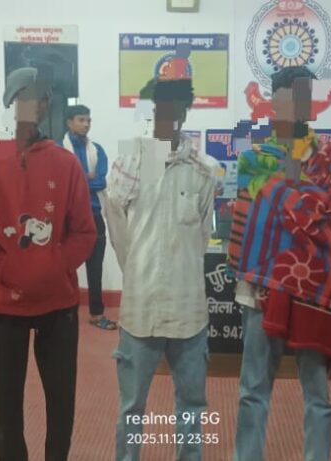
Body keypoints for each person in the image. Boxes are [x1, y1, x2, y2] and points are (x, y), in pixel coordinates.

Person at [0, 67, 96, 461]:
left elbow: (84, 232)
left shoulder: (66, 165)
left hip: (59, 306)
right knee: (6, 407)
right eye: (23, 97)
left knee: (61, 403)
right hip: (5, 306)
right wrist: (7, 269)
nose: (32, 105)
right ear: (11, 102)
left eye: (39, 97)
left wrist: (53, 267)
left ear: (48, 104)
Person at [231, 66, 331, 461]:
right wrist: (299, 192)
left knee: (317, 393)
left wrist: (294, 193)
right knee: (253, 388)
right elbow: (250, 221)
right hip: (262, 288)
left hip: (315, 291)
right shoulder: (255, 159)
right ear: (275, 102)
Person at [104, 76, 219, 461]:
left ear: (185, 113)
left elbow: (201, 237)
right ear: (152, 112)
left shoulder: (204, 169)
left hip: (189, 313)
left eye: (175, 110)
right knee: (131, 406)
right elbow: (118, 229)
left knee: (192, 406)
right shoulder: (132, 161)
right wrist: (137, 270)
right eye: (160, 110)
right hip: (141, 310)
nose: (167, 118)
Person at [60, 105, 114, 330]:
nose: (86, 124)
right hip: (67, 218)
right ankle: (64, 312)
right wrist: (85, 178)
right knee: (64, 266)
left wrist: (78, 180)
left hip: (94, 215)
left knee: (95, 267)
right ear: (69, 122)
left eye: (88, 120)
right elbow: (62, 183)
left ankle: (96, 313)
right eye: (81, 120)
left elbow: (100, 181)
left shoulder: (97, 150)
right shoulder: (58, 151)